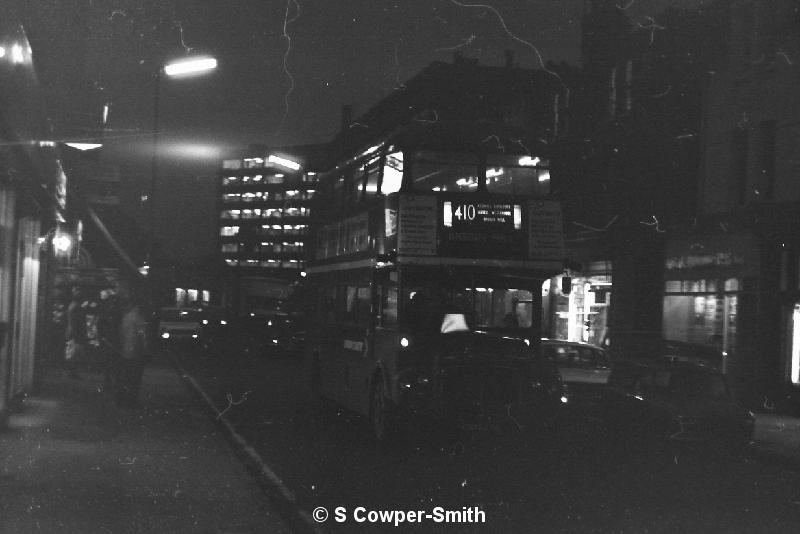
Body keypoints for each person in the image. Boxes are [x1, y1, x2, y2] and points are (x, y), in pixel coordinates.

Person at [116, 283, 148, 408]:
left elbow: (121, 334)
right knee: (134, 379)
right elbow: (143, 335)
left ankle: (124, 399)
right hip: (135, 353)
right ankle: (131, 400)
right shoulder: (139, 318)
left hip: (126, 351)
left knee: (126, 377)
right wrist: (144, 348)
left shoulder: (126, 317)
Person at [64, 286, 87, 378]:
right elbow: (76, 322)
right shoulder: (76, 307)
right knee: (74, 354)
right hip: (75, 334)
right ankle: (72, 372)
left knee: (72, 353)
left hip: (72, 333)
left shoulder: (72, 305)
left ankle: (72, 372)